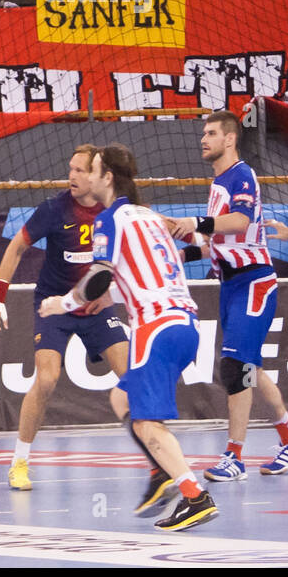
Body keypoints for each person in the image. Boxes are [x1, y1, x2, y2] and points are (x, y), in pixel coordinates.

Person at [39, 144, 218, 530]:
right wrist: (112, 295)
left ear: (106, 178)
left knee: (147, 422)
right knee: (122, 396)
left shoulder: (109, 219)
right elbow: (195, 251)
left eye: (94, 169)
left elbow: (100, 275)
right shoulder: (151, 218)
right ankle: (161, 471)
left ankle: (193, 495)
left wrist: (63, 303)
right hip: (185, 324)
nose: (85, 176)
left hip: (156, 328)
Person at [0, 145, 130, 491]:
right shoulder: (53, 209)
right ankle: (19, 462)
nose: (73, 176)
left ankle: (160, 465)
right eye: (71, 169)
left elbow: (128, 256)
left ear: (99, 176)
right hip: (55, 306)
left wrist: (110, 294)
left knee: (133, 379)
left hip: (95, 307)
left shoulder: (113, 211)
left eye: (81, 170)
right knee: (47, 379)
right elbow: (16, 247)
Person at [165, 111, 288, 479]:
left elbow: (239, 222)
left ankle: (234, 457)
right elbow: (215, 244)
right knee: (248, 364)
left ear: (230, 139)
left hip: (254, 282)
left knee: (236, 367)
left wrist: (195, 223)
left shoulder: (241, 175)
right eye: (202, 134)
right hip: (232, 284)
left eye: (211, 133)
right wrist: (180, 254)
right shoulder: (218, 183)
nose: (203, 139)